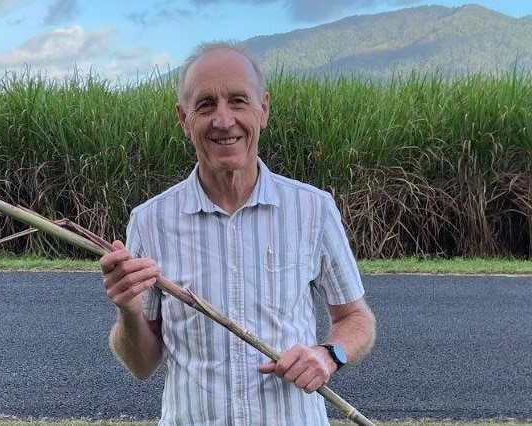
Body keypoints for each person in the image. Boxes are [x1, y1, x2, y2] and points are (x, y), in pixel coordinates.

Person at [99, 41, 376, 426]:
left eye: (238, 101)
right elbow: (142, 364)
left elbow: (356, 317)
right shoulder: (150, 221)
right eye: (206, 104)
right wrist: (127, 309)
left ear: (262, 110)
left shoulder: (313, 209)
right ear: (184, 119)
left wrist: (329, 354)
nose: (224, 120)